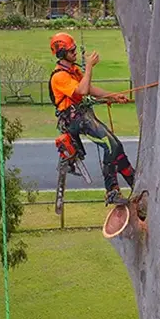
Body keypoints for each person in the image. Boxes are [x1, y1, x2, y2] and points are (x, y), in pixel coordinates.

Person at [48, 32, 135, 205]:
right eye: (71, 50)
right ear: (61, 53)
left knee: (117, 147)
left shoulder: (73, 71)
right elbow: (82, 91)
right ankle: (111, 191)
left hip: (84, 115)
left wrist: (113, 96)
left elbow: (90, 88)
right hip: (75, 121)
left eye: (74, 49)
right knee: (111, 145)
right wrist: (89, 67)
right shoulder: (59, 77)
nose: (74, 52)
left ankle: (134, 181)